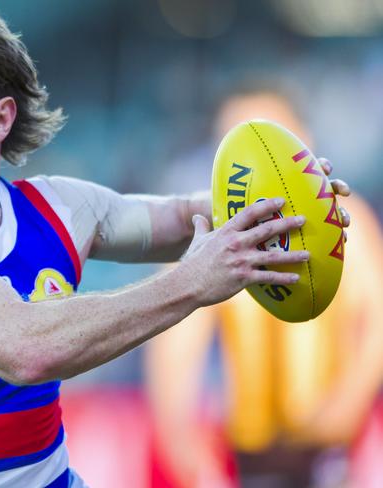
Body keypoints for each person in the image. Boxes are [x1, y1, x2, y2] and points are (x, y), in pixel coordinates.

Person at [0, 2, 350, 487]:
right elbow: (24, 349)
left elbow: (184, 214)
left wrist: (286, 203)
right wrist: (192, 282)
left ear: (0, 118)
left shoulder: (60, 210)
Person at [146, 85, 380, 488]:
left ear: (303, 138)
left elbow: (376, 323)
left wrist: (348, 405)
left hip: (332, 449)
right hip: (249, 452)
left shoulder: (348, 219)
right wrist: (188, 451)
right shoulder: (213, 235)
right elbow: (174, 351)